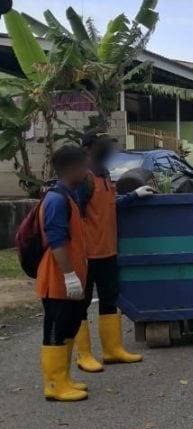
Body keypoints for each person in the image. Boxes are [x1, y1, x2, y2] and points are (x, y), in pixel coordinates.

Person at [74, 130, 154, 373]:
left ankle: (112, 350)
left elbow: (108, 206)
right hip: (86, 254)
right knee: (80, 303)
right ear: (88, 149)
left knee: (109, 299)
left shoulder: (104, 175)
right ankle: (84, 354)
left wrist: (133, 196)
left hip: (107, 250)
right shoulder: (82, 179)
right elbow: (71, 214)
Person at [37, 145, 90, 402]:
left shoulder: (71, 196)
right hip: (57, 277)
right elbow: (56, 241)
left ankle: (64, 378)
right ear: (71, 169)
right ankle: (54, 384)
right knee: (55, 329)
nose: (86, 171)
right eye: (82, 166)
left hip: (71, 275)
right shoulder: (57, 200)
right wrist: (69, 275)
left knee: (68, 325)